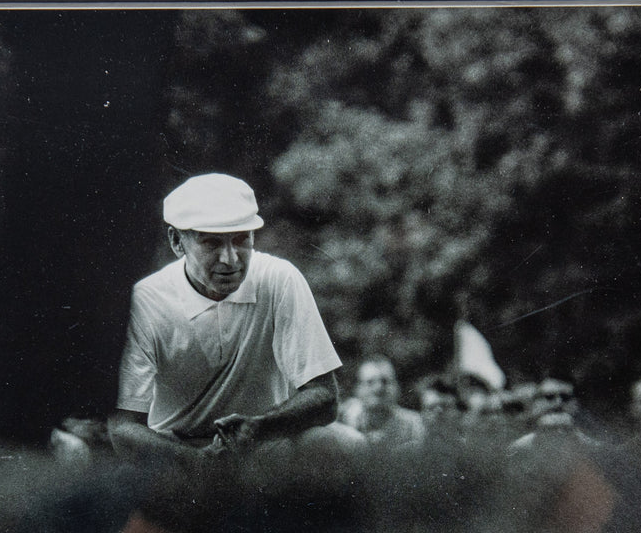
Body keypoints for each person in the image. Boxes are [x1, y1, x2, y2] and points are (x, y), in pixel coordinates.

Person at [110, 174, 355, 462]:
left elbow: (325, 398)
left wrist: (259, 427)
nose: (231, 259)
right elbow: (123, 426)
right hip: (174, 449)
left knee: (340, 445)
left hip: (261, 442)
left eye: (241, 240)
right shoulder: (146, 300)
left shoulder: (279, 278)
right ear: (177, 242)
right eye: (212, 244)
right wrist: (194, 461)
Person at [339, 356, 425, 448]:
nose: (378, 389)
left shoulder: (413, 425)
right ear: (357, 388)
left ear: (397, 387)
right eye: (370, 382)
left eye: (385, 381)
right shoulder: (345, 421)